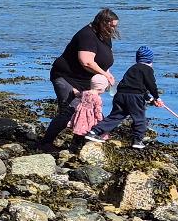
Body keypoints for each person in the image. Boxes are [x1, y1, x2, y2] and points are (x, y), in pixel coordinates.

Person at [41, 8, 120, 148]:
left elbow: (104, 59)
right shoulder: (87, 35)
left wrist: (108, 72)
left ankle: (76, 144)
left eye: (115, 26)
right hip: (66, 77)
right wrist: (105, 74)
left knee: (87, 110)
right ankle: (46, 142)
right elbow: (86, 61)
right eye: (112, 26)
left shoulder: (105, 35)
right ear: (102, 22)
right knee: (69, 110)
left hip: (86, 80)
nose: (114, 29)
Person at [89, 47, 163, 148]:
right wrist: (157, 97)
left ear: (138, 59)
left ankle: (94, 132)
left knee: (116, 116)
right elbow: (151, 85)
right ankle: (137, 140)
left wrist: (149, 99)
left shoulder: (132, 68)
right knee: (139, 118)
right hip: (134, 98)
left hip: (120, 95)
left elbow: (137, 87)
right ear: (150, 60)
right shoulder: (148, 69)